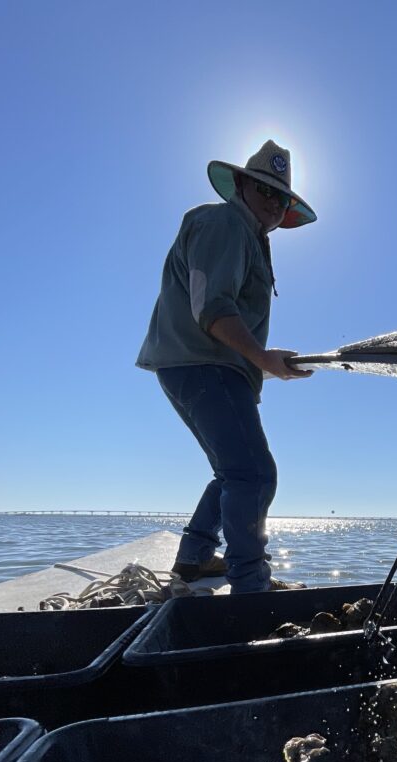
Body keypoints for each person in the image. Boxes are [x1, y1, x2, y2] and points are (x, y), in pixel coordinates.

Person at [137, 140, 315, 593]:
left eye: (282, 197)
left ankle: (195, 558)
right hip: (204, 365)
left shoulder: (247, 234)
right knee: (254, 473)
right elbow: (211, 308)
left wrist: (265, 364)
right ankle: (250, 584)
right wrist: (262, 358)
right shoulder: (224, 223)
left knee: (233, 471)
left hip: (200, 367)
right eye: (265, 190)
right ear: (240, 183)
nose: (274, 203)